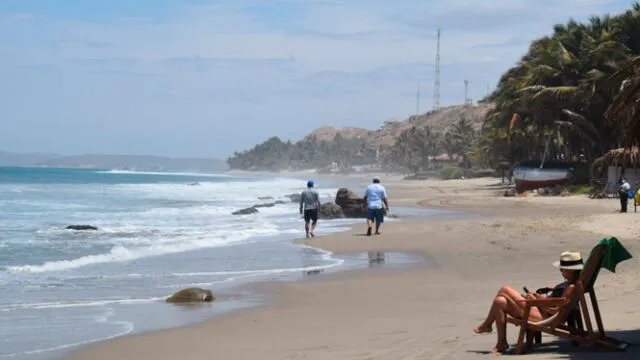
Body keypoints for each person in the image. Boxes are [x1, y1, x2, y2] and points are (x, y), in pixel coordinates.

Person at [472, 251, 583, 354]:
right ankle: (502, 342)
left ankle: (487, 325)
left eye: (562, 269)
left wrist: (535, 301)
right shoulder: (572, 283)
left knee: (504, 289)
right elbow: (556, 304)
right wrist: (538, 297)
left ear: (571, 270)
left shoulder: (571, 287)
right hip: (542, 312)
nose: (560, 271)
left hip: (544, 317)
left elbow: (554, 310)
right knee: (499, 301)